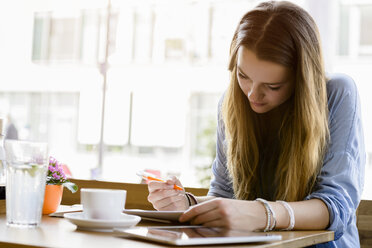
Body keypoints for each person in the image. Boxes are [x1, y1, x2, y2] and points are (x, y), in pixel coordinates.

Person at [147, 1, 365, 247]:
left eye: (273, 86)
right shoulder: (231, 105)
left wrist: (262, 213)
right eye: (243, 76)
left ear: (301, 80)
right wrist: (188, 204)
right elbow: (224, 195)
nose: (252, 95)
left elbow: (337, 206)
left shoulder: (337, 93)